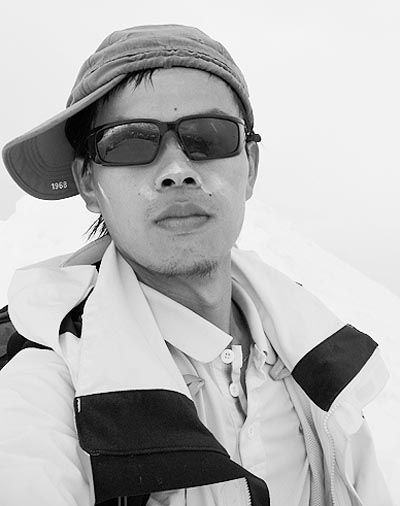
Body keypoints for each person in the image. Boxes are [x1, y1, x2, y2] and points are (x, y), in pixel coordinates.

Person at [0, 24, 393, 506]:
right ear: (87, 182)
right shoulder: (43, 386)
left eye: (207, 137)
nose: (176, 170)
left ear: (250, 166)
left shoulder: (314, 355)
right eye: (128, 143)